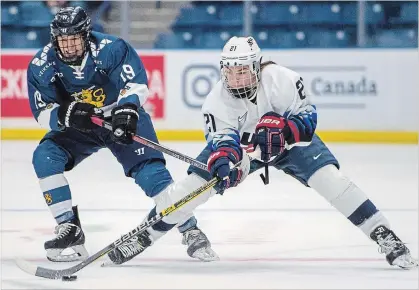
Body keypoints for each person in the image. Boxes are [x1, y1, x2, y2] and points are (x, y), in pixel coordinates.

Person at [106, 36, 418, 269]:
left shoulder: (282, 79)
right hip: (245, 148)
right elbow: (222, 142)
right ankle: (145, 235)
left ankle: (384, 235)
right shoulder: (216, 102)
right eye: (230, 72)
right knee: (190, 189)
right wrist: (225, 164)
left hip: (289, 146)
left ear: (256, 68)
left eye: (242, 71)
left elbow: (308, 119)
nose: (235, 78)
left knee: (332, 181)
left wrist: (283, 132)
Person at [27, 6, 218, 264]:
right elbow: (42, 111)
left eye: (74, 39)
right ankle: (68, 227)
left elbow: (135, 83)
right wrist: (66, 114)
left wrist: (126, 110)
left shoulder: (112, 48)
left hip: (118, 119)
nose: (69, 46)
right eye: (63, 40)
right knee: (44, 157)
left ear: (86, 35)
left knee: (152, 175)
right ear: (54, 39)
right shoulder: (42, 64)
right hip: (78, 127)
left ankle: (190, 229)